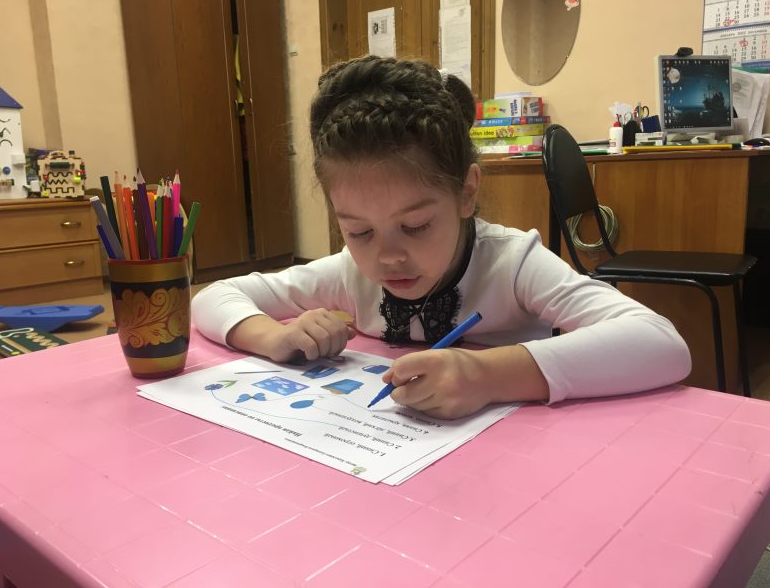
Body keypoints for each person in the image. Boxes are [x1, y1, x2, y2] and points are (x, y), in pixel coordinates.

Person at [192, 55, 691, 419]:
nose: (388, 257)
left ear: (466, 192)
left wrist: (485, 375)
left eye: (416, 226)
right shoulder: (349, 273)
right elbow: (214, 296)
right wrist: (274, 336)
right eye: (358, 230)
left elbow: (661, 343)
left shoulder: (512, 264)